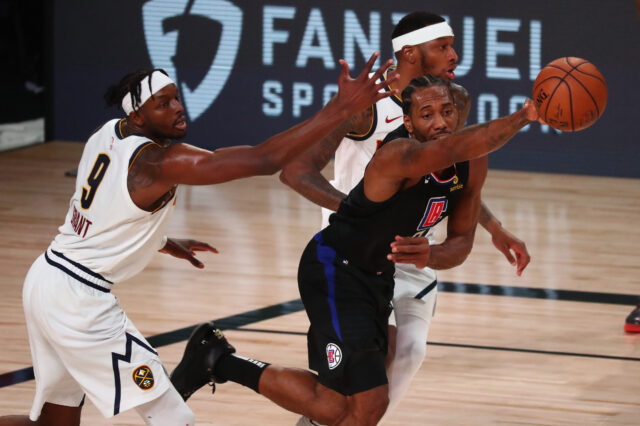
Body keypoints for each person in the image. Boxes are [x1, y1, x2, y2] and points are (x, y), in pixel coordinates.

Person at [0, 53, 397, 426]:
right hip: (77, 302)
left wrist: (158, 239)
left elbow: (101, 208)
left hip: (47, 278)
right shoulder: (157, 162)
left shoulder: (108, 134)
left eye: (175, 98)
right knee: (172, 416)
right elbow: (263, 160)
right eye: (162, 104)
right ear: (137, 114)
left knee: (53, 423)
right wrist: (339, 110)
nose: (176, 108)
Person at [171, 75, 542, 425]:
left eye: (447, 111)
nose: (441, 122)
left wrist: (431, 255)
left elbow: (460, 245)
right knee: (364, 406)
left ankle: (218, 359)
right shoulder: (398, 153)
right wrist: (525, 115)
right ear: (409, 125)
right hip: (335, 269)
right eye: (426, 115)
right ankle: (218, 360)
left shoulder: (472, 162)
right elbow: (454, 146)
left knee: (343, 407)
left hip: (377, 277)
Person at [277, 11, 530, 422]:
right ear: (410, 53)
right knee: (378, 359)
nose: (454, 54)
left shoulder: (448, 100)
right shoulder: (364, 103)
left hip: (411, 249)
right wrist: (358, 213)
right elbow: (296, 171)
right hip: (354, 251)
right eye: (443, 46)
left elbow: (447, 173)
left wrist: (493, 226)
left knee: (409, 355)